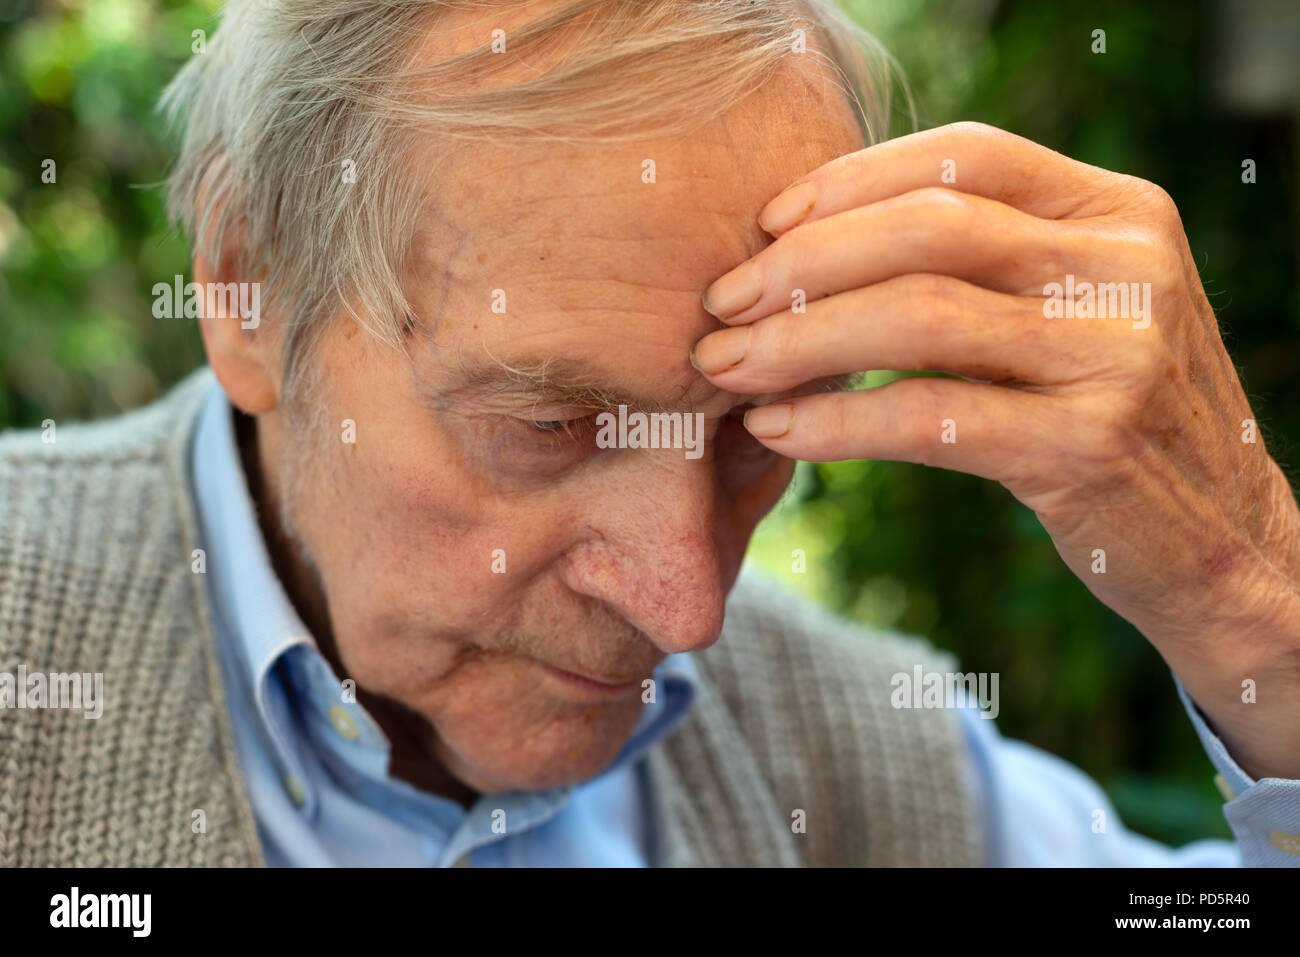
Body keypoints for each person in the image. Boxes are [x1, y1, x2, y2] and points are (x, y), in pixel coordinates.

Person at [2, 0, 1297, 867]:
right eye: (549, 423)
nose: (685, 610)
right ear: (248, 286)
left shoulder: (861, 765)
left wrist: (1255, 605)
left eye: (754, 430)